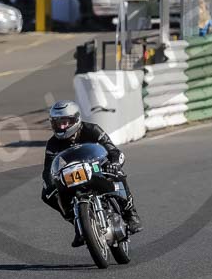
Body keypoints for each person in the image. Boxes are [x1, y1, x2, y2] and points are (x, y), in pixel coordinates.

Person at [41, 100, 142, 248]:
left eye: (65, 122)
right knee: (47, 195)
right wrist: (49, 182)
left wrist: (114, 163)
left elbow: (113, 150)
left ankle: (130, 213)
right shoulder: (53, 143)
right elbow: (48, 168)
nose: (62, 127)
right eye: (57, 123)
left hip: (97, 167)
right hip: (72, 175)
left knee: (118, 173)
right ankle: (78, 223)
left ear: (76, 119)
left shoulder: (92, 129)